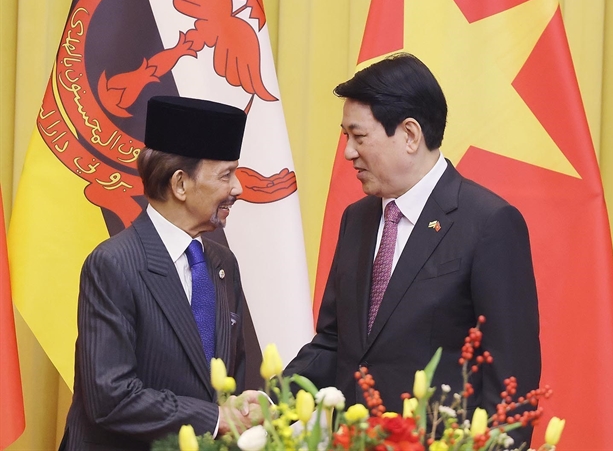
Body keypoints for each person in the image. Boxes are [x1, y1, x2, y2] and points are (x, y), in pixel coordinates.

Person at [285, 53, 541, 444]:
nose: (348, 152)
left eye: (359, 137)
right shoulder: (357, 219)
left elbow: (512, 378)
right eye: (345, 137)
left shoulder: (488, 223)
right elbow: (335, 343)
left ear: (409, 135)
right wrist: (270, 402)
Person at [60, 96, 262, 451]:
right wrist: (216, 419)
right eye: (226, 175)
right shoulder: (114, 264)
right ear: (180, 184)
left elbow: (228, 375)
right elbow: (110, 397)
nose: (238, 189)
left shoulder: (223, 264)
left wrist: (240, 409)